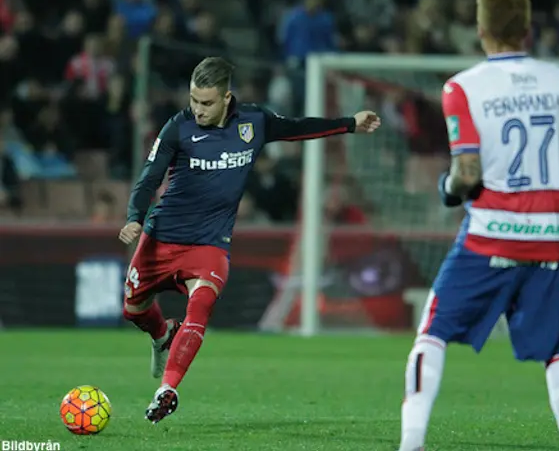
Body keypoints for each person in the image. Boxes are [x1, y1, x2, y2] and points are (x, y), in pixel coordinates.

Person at [118, 56, 381, 424]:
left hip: (210, 244)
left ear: (227, 98)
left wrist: (350, 124)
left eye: (206, 102)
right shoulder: (179, 127)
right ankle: (162, 335)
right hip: (161, 238)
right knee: (133, 309)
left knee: (201, 307)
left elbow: (297, 128)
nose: (197, 109)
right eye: (194, 100)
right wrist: (134, 216)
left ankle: (167, 389)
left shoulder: (253, 122)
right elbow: (149, 178)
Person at [398, 0, 559, 451]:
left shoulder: (462, 87)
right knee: (557, 350)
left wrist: (448, 189)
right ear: (529, 28)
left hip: (489, 234)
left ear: (480, 29)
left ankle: (411, 444)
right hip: (549, 234)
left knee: (432, 333)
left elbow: (466, 174)